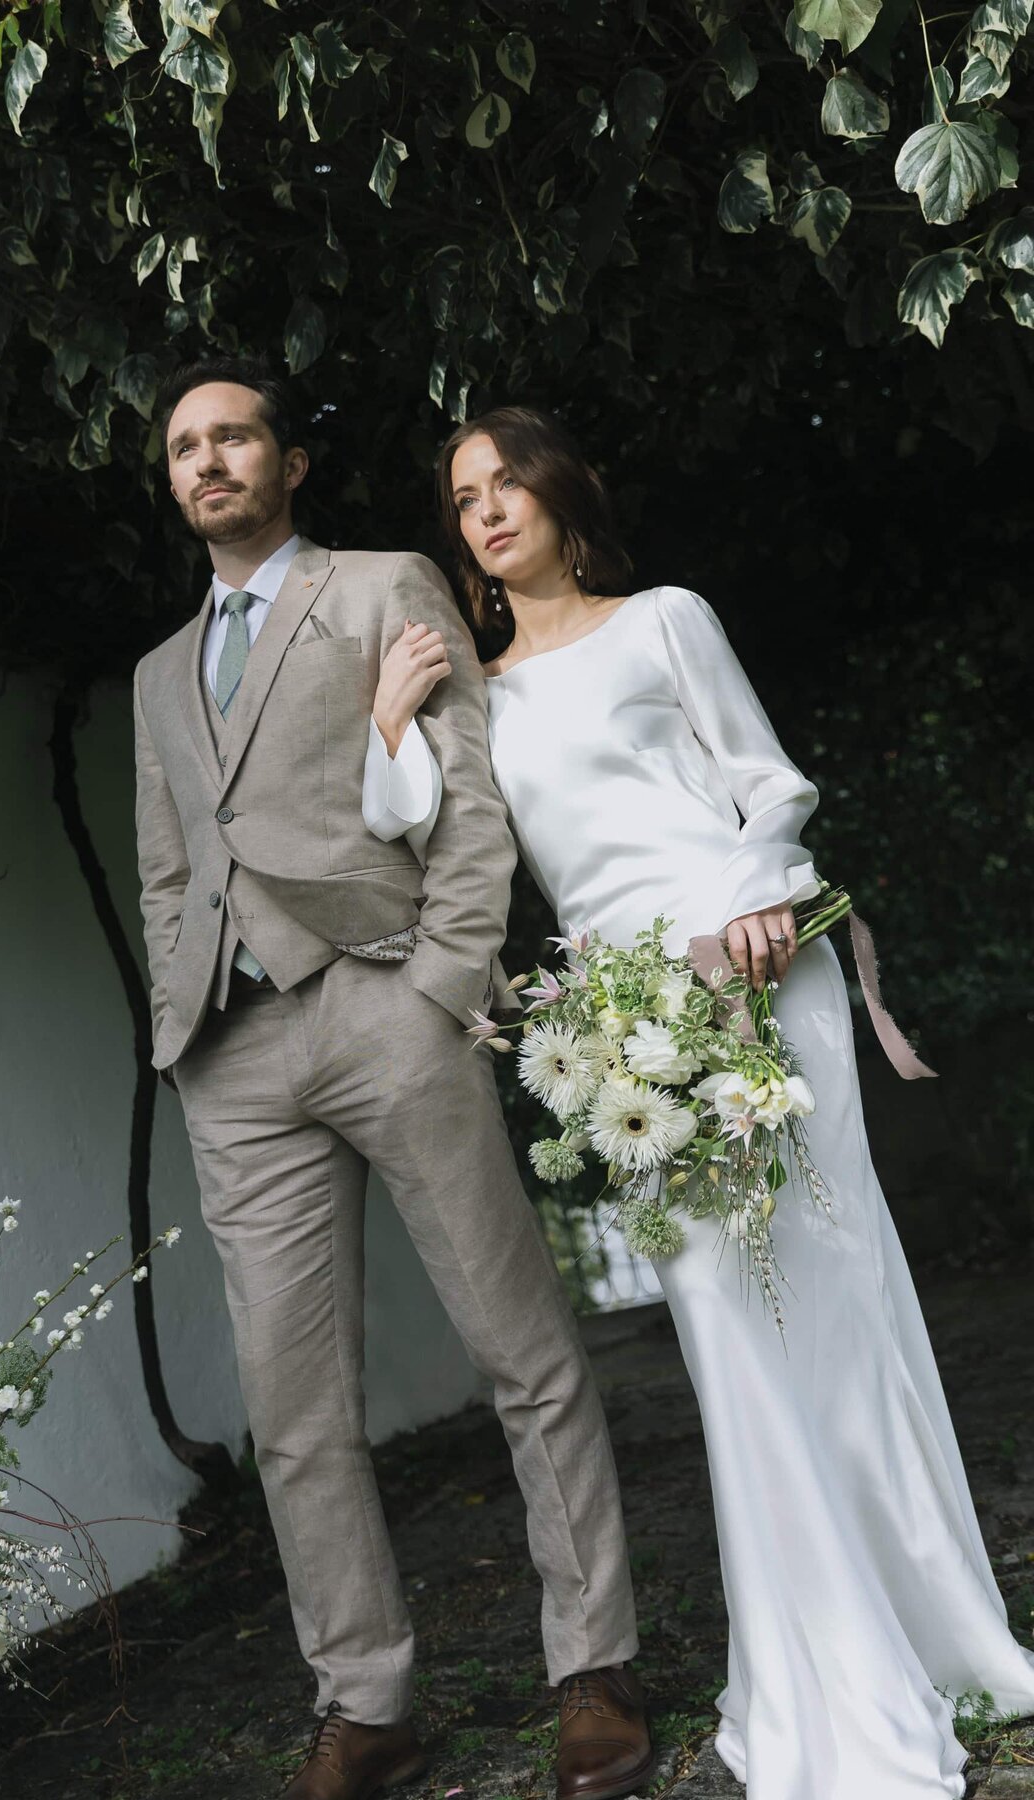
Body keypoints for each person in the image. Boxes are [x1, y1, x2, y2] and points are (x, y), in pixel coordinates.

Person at [366, 404, 1034, 1800]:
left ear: (560, 495)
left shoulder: (666, 619)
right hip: (623, 1032)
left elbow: (769, 787)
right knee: (727, 1333)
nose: (487, 510)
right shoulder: (476, 695)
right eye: (465, 498)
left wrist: (752, 907)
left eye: (508, 482)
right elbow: (406, 821)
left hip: (759, 969)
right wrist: (389, 718)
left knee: (838, 1297)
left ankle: (937, 1633)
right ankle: (818, 1664)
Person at [132, 359, 655, 1800]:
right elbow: (170, 869)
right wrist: (183, 1027)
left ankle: (594, 1665)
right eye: (185, 447)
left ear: (288, 463)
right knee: (294, 1410)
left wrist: (439, 987)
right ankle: (364, 1706)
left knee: (520, 1348)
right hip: (234, 1062)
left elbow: (467, 800)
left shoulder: (378, 588)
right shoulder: (156, 676)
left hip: (385, 1010)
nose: (208, 461)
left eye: (234, 437)